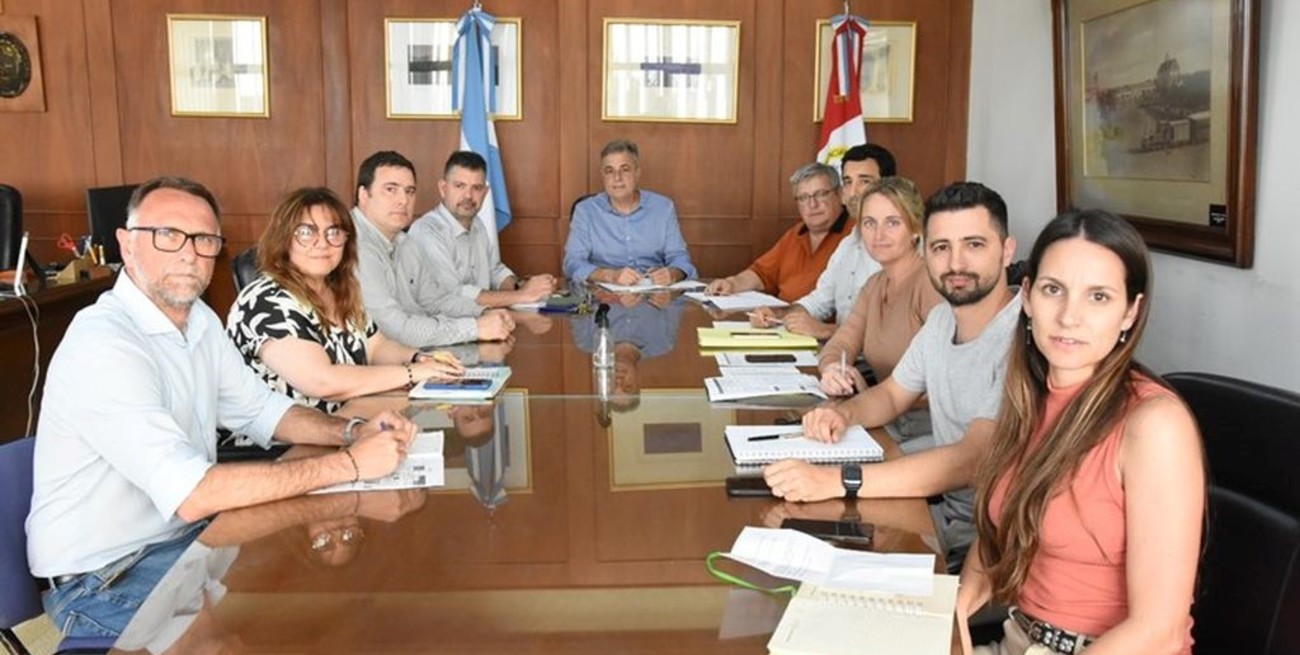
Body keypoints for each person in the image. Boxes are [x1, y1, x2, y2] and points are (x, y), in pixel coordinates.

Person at [26, 176, 418, 638]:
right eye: (168, 235)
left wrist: (351, 431)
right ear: (127, 244)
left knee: (337, 610)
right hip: (107, 575)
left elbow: (262, 409)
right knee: (281, 632)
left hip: (187, 544)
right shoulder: (105, 343)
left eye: (204, 240)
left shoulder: (200, 322)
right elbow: (193, 493)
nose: (189, 254)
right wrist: (350, 464)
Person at [956, 211, 1202, 655]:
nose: (1069, 317)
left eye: (1099, 297)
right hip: (1018, 639)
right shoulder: (1030, 396)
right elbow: (1000, 531)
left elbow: (1159, 630)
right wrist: (957, 604)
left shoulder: (1155, 425)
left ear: (1130, 312)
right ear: (1027, 297)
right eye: (1053, 290)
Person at [762, 182, 1020, 572]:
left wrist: (836, 480)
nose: (956, 262)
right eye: (942, 247)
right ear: (927, 251)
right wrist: (842, 414)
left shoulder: (1022, 335)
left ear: (1007, 250)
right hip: (944, 512)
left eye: (974, 245)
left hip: (989, 538)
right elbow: (892, 395)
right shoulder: (941, 320)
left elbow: (971, 460)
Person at [226, 187, 465, 414]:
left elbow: (376, 347)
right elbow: (322, 382)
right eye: (307, 232)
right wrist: (412, 372)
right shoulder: (265, 300)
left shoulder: (341, 289)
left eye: (333, 232)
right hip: (282, 439)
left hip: (348, 421)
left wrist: (419, 357)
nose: (322, 243)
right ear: (284, 238)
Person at [350, 150, 514, 347]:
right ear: (363, 195)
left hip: (410, 353)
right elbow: (392, 330)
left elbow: (435, 301)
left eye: (409, 191)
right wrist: (475, 328)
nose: (403, 200)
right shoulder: (353, 246)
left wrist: (483, 313)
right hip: (367, 361)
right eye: (391, 189)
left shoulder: (405, 243)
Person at [749, 144, 900, 338]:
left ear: (890, 187)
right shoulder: (848, 244)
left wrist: (826, 330)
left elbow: (897, 334)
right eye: (848, 182)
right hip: (840, 351)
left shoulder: (904, 245)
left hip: (871, 357)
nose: (853, 192)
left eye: (864, 181)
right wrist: (777, 315)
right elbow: (819, 301)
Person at [813, 177, 943, 393]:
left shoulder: (931, 284)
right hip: (881, 406)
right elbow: (842, 342)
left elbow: (947, 383)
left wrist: (869, 396)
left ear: (915, 229)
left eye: (892, 222)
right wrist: (833, 369)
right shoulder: (874, 285)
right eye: (869, 223)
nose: (878, 235)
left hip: (922, 413)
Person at [398, 151, 558, 317]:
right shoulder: (427, 231)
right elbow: (452, 294)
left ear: (485, 192)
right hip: (441, 326)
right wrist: (522, 296)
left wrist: (522, 286)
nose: (468, 196)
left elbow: (494, 271)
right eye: (460, 186)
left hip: (481, 322)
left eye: (477, 188)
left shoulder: (477, 224)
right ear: (443, 188)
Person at [705, 162, 852, 302]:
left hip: (821, 319)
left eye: (820, 194)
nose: (812, 204)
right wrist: (732, 283)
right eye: (803, 198)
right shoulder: (796, 233)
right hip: (783, 315)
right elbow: (762, 273)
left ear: (840, 194)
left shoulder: (855, 234)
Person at [563, 139, 697, 286]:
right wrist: (611, 276)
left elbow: (680, 259)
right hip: (604, 294)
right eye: (609, 171)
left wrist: (672, 274)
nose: (617, 178)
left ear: (637, 172)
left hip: (654, 293)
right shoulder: (585, 211)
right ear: (602, 175)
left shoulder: (663, 207)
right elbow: (572, 263)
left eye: (625, 169)